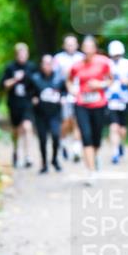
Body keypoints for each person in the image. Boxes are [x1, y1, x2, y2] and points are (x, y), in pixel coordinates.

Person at [68, 35, 112, 185]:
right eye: (84, 47)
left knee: (96, 137)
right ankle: (91, 171)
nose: (87, 50)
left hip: (99, 104)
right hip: (81, 104)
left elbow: (110, 80)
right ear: (82, 48)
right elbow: (68, 79)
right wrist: (72, 90)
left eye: (90, 47)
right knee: (86, 136)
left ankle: (95, 156)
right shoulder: (76, 65)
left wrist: (100, 85)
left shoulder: (104, 62)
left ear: (94, 48)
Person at [0, 43, 37, 169]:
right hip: (14, 103)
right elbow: (4, 85)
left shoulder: (31, 67)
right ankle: (16, 151)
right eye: (20, 53)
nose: (22, 56)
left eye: (24, 53)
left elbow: (37, 83)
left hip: (27, 102)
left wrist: (35, 97)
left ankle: (28, 156)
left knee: (27, 127)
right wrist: (15, 79)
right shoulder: (10, 67)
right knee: (16, 131)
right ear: (16, 54)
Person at [31, 54, 66, 174]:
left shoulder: (59, 78)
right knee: (42, 139)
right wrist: (33, 98)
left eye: (50, 63)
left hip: (55, 114)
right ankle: (44, 163)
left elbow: (65, 91)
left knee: (56, 136)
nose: (47, 66)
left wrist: (63, 98)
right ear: (41, 65)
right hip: (40, 114)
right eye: (45, 63)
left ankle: (55, 160)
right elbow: (29, 92)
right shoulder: (35, 78)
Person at [53, 35, 85, 163]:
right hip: (65, 94)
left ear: (77, 45)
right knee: (66, 122)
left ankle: (76, 149)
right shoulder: (58, 59)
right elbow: (54, 79)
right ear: (64, 45)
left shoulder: (82, 58)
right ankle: (63, 142)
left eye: (73, 44)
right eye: (68, 44)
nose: (70, 46)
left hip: (80, 94)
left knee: (78, 121)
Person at [106, 40, 128, 165]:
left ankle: (120, 144)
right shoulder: (107, 64)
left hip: (124, 100)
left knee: (122, 130)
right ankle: (115, 153)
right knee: (114, 127)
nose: (116, 57)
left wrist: (127, 81)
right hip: (110, 100)